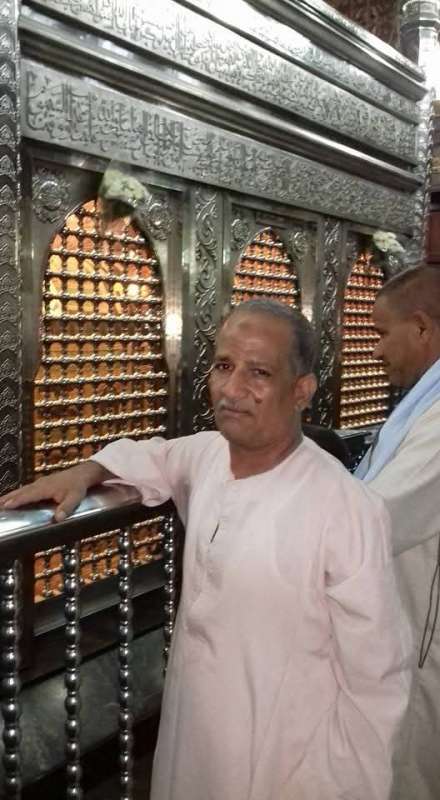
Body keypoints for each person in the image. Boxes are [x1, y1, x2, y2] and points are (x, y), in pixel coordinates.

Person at [1, 299, 410, 800]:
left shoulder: (347, 510)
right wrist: (88, 471)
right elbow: (154, 457)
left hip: (285, 762)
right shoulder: (208, 456)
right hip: (192, 737)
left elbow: (376, 682)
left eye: (259, 373)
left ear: (301, 391)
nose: (232, 390)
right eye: (223, 366)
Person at [355, 265, 440, 800]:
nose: (377, 350)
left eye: (383, 334)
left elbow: (378, 518)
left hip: (425, 635)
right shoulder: (424, 403)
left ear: (422, 327)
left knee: (413, 768)